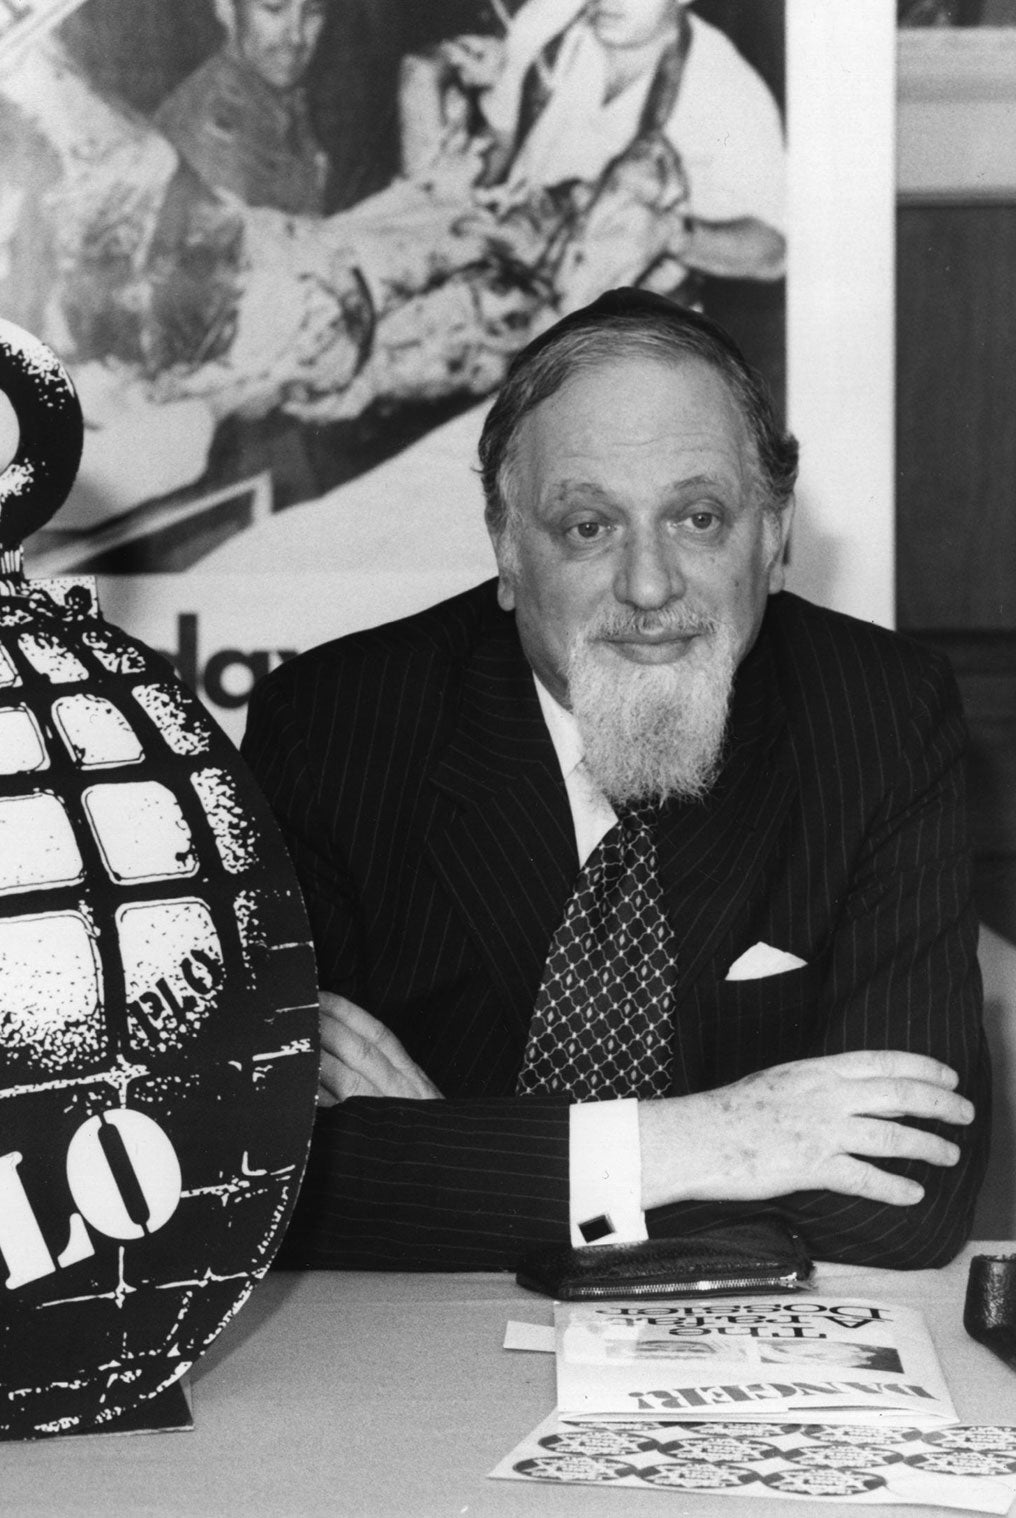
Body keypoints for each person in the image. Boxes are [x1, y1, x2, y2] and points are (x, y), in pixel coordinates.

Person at [244, 287, 987, 1271]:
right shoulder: (334, 728)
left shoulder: (882, 719)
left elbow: (905, 1201)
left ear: (772, 538)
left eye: (696, 517)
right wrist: (718, 1140)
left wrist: (452, 1161)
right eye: (588, 526)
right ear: (507, 547)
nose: (648, 586)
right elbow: (268, 1184)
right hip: (412, 1361)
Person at [408, 0, 785, 287]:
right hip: (506, 266)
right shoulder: (548, 20)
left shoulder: (729, 92)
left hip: (625, 324)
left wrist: (671, 233)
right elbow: (503, 142)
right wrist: (458, 146)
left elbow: (775, 249)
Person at [156, 0, 331, 215]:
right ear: (227, 9)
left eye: (314, 11)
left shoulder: (277, 100)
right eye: (274, 9)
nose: (297, 37)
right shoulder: (211, 128)